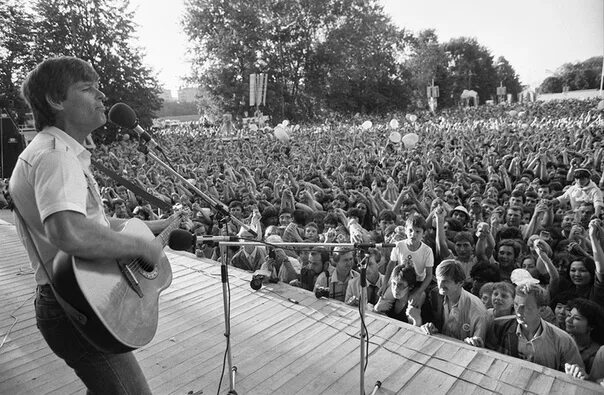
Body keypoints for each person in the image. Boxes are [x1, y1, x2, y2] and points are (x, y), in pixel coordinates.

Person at [8, 56, 172, 394]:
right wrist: (142, 247)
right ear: (56, 101)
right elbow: (67, 231)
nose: (101, 97)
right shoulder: (57, 157)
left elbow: (89, 222)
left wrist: (151, 225)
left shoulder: (54, 151)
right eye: (87, 89)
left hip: (73, 301)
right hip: (76, 308)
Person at [485, 282, 584, 372]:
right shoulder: (498, 326)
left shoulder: (563, 341)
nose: (518, 312)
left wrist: (576, 372)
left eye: (526, 307)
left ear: (542, 309)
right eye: (516, 305)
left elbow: (577, 375)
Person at [421, 260, 488, 345]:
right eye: (438, 280)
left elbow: (478, 344)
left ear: (460, 283)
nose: (440, 285)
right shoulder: (435, 295)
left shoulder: (476, 310)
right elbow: (432, 324)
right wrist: (430, 327)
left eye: (445, 281)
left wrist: (472, 343)